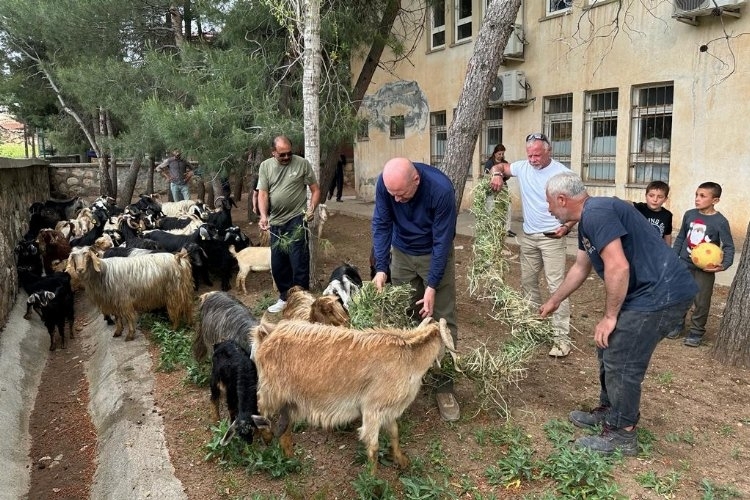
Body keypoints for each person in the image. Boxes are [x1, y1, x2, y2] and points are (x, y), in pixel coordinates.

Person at [540, 171, 697, 456]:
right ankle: (610, 411)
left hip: (661, 294)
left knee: (622, 359)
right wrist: (554, 301)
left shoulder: (597, 214)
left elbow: (618, 267)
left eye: (549, 204)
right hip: (645, 292)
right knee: (608, 347)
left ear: (562, 199)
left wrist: (610, 316)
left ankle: (623, 435)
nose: (549, 210)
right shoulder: (589, 219)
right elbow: (580, 267)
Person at [371, 158, 460, 422]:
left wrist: (432, 284)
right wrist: (381, 267)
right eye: (392, 194)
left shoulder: (441, 190)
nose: (397, 200)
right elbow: (381, 224)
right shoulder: (387, 185)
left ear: (416, 180)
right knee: (405, 317)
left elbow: (443, 240)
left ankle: (444, 387)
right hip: (402, 254)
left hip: (435, 252)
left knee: (442, 319)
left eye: (402, 194)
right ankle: (406, 381)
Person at [488, 133, 573, 357]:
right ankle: (534, 328)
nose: (533, 159)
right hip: (529, 236)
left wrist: (568, 226)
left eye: (537, 155)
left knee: (557, 286)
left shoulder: (563, 173)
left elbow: (583, 203)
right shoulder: (523, 167)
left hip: (552, 237)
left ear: (549, 151)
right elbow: (501, 167)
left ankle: (561, 338)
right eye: (530, 155)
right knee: (528, 283)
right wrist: (496, 174)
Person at [257, 136, 321, 313]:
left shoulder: (302, 164)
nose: (286, 157)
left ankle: (301, 300)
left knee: (298, 261)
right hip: (276, 222)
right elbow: (262, 194)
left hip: (297, 220)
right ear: (273, 153)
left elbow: (315, 190)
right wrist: (264, 216)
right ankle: (285, 297)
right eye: (282, 155)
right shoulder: (266, 166)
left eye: (289, 154)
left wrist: (311, 209)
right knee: (278, 263)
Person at [668, 182, 734, 346]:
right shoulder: (689, 214)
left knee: (701, 301)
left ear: (715, 200)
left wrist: (724, 264)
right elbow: (681, 238)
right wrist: (673, 258)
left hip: (704, 270)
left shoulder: (720, 221)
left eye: (702, 196)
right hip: (683, 264)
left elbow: (729, 246)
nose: (697, 199)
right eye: (696, 195)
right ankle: (677, 324)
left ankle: (696, 332)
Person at [483, 144, 516, 237]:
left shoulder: (505, 162)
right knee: (491, 207)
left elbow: (507, 176)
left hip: (503, 187)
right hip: (492, 188)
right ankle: (490, 228)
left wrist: (505, 176)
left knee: (507, 207)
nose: (501, 156)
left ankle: (507, 229)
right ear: (495, 153)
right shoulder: (490, 163)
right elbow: (486, 176)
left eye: (502, 154)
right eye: (499, 154)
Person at [633, 180, 673, 246]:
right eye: (651, 196)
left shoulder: (667, 215)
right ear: (646, 196)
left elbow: (667, 235)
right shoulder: (640, 208)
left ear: (665, 199)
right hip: (639, 249)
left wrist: (668, 252)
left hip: (656, 251)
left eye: (660, 197)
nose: (655, 200)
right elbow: (629, 204)